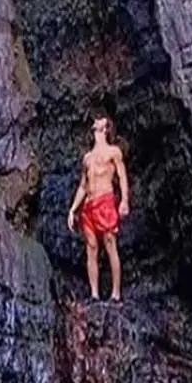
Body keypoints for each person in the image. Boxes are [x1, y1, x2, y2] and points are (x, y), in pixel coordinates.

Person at [67, 110, 130, 302]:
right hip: (88, 205)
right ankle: (94, 293)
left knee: (110, 244)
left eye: (100, 119)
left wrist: (124, 200)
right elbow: (83, 186)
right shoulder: (87, 158)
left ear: (106, 126)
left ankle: (116, 293)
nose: (96, 120)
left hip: (105, 200)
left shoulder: (114, 152)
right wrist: (72, 209)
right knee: (91, 248)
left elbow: (122, 177)